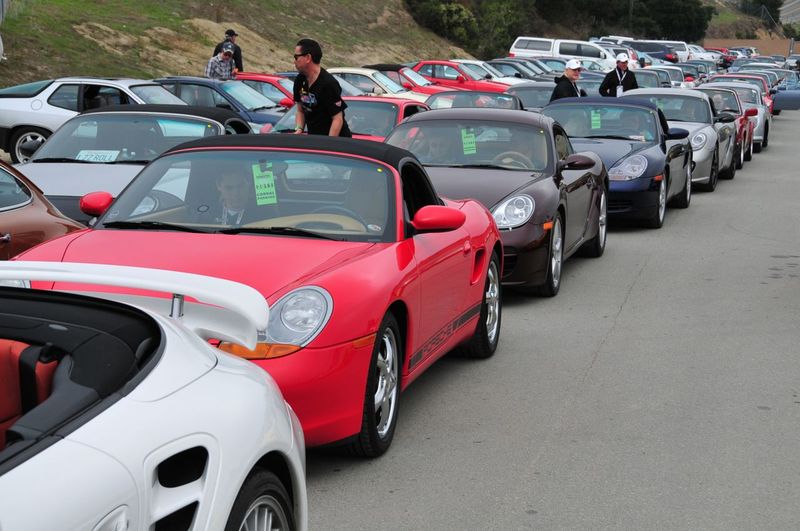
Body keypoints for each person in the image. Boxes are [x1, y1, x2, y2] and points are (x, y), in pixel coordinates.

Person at [292, 38, 352, 137]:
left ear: (307, 58)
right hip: (315, 139)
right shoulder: (299, 80)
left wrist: (328, 145)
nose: (294, 61)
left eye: (296, 57)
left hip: (337, 142)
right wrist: (299, 129)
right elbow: (300, 111)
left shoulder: (328, 83)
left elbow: (337, 119)